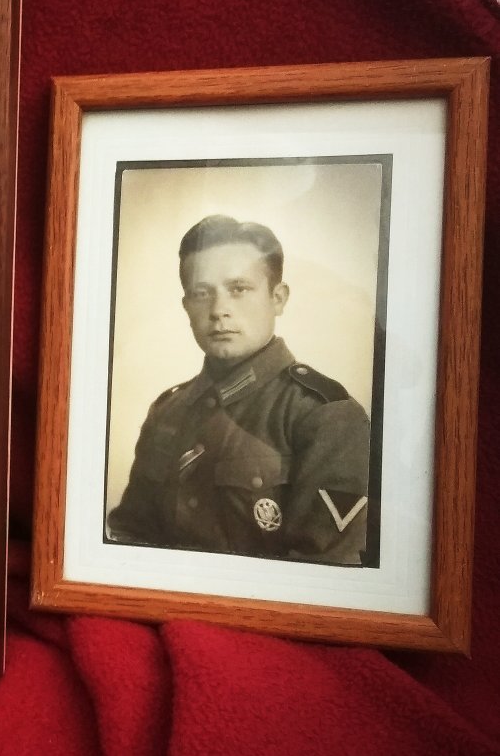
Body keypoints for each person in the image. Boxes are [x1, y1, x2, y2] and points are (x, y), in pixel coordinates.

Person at [106, 214, 371, 564]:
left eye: (239, 289)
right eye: (202, 293)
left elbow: (323, 575)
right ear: (186, 307)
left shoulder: (325, 415)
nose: (219, 311)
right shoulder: (167, 411)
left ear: (278, 298)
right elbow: (128, 539)